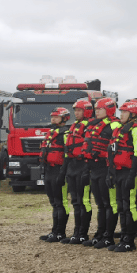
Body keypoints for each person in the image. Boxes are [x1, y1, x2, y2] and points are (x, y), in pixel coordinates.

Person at [109, 99, 137, 252]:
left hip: (130, 172)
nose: (121, 115)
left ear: (132, 113)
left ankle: (129, 240)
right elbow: (112, 150)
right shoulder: (120, 129)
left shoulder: (136, 130)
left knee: (129, 206)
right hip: (119, 171)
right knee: (121, 206)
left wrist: (133, 175)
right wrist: (111, 172)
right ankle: (124, 236)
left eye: (124, 112)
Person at [84, 98, 121, 248]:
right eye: (96, 109)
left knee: (109, 204)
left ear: (109, 110)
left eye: (100, 109)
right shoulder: (95, 124)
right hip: (95, 168)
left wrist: (111, 172)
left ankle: (109, 236)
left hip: (106, 169)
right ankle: (100, 233)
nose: (97, 111)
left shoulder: (115, 125)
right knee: (100, 204)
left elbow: (115, 149)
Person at [64, 98, 95, 245]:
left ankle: (83, 233)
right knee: (75, 201)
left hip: (84, 166)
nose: (76, 113)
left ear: (87, 111)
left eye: (79, 110)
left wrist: (87, 170)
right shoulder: (74, 126)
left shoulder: (90, 126)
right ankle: (76, 232)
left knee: (84, 201)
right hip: (73, 166)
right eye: (75, 110)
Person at [38, 107, 71, 242]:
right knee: (54, 202)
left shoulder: (65, 134)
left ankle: (61, 232)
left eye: (56, 117)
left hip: (59, 170)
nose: (53, 119)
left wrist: (63, 173)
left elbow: (68, 156)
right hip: (49, 170)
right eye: (52, 117)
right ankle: (54, 231)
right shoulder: (51, 133)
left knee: (61, 202)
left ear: (64, 118)